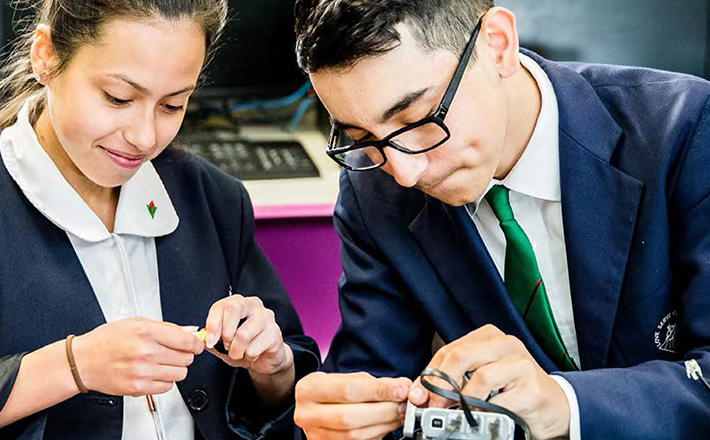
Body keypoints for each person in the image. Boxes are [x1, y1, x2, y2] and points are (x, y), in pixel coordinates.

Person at [291, 0, 710, 439]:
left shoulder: (687, 130)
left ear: (498, 44)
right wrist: (340, 419)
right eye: (361, 137)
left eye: (419, 118)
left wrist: (568, 404)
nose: (405, 172)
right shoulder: (374, 190)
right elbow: (372, 382)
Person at [0, 1, 320, 439]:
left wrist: (271, 366)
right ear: (45, 55)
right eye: (118, 98)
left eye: (172, 105)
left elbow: (290, 394)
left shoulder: (212, 198)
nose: (144, 137)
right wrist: (74, 366)